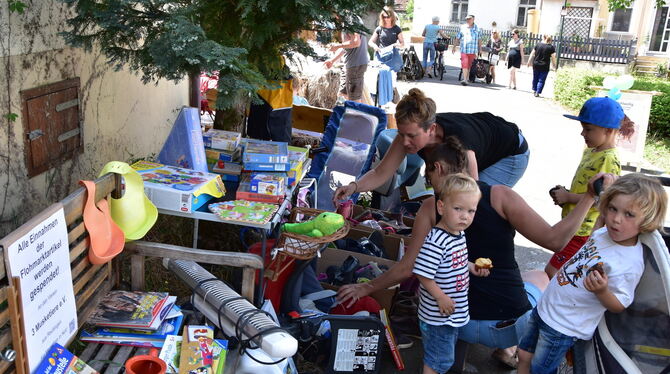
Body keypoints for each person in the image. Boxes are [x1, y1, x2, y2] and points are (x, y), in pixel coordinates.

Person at [337, 137, 608, 367]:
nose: (428, 181)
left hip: (455, 321)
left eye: (428, 174)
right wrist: (587, 198)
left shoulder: (432, 207)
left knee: (450, 288)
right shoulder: (500, 195)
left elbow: (409, 267)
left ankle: (454, 362)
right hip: (507, 326)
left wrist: (365, 288)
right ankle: (507, 350)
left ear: (437, 168)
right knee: (539, 275)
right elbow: (556, 240)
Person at [518, 173, 668, 374]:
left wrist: (602, 291)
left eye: (629, 214)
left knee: (540, 369)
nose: (616, 219)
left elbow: (620, 304)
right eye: (613, 209)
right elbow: (596, 234)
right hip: (546, 308)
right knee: (523, 354)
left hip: (563, 326)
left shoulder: (629, 262)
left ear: (647, 220)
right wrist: (600, 190)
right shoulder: (605, 233)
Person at [332, 89, 529, 206]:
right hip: (485, 139)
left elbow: (474, 193)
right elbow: (381, 172)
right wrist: (353, 187)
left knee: (473, 204)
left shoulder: (461, 143)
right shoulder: (410, 134)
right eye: (401, 134)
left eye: (411, 136)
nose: (405, 142)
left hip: (510, 152)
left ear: (431, 129)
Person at [546, 98, 636, 278]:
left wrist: (569, 198)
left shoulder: (609, 159)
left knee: (553, 272)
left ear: (608, 130)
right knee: (563, 273)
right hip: (574, 224)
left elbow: (604, 200)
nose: (582, 133)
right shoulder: (591, 150)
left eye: (588, 129)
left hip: (584, 231)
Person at [413, 173, 489, 374]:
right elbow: (422, 273)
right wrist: (441, 297)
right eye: (458, 209)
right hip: (438, 316)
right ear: (441, 207)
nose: (465, 216)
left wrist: (472, 267)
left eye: (471, 211)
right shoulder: (437, 241)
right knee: (438, 360)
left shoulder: (458, 234)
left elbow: (457, 261)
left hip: (450, 314)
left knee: (442, 356)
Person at [324, 25, 370, 103]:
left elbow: (356, 42)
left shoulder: (351, 21)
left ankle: (354, 114)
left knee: (354, 100)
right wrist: (332, 60)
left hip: (355, 65)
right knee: (342, 95)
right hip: (351, 65)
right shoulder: (347, 22)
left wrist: (337, 46)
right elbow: (348, 47)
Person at [368, 6, 405, 72]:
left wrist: (396, 45)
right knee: (380, 75)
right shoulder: (380, 28)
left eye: (388, 17)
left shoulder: (397, 29)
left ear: (392, 17)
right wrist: (375, 46)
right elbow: (370, 42)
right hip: (381, 54)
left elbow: (402, 43)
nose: (386, 19)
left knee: (392, 74)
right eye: (384, 17)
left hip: (392, 56)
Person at [452, 14, 481, 86]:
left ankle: (466, 79)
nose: (468, 20)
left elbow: (479, 40)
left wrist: (480, 49)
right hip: (464, 49)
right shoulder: (463, 27)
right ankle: (465, 79)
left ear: (473, 19)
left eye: (469, 19)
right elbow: (458, 37)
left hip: (472, 50)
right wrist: (454, 46)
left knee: (469, 65)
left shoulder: (477, 29)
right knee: (464, 63)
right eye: (467, 19)